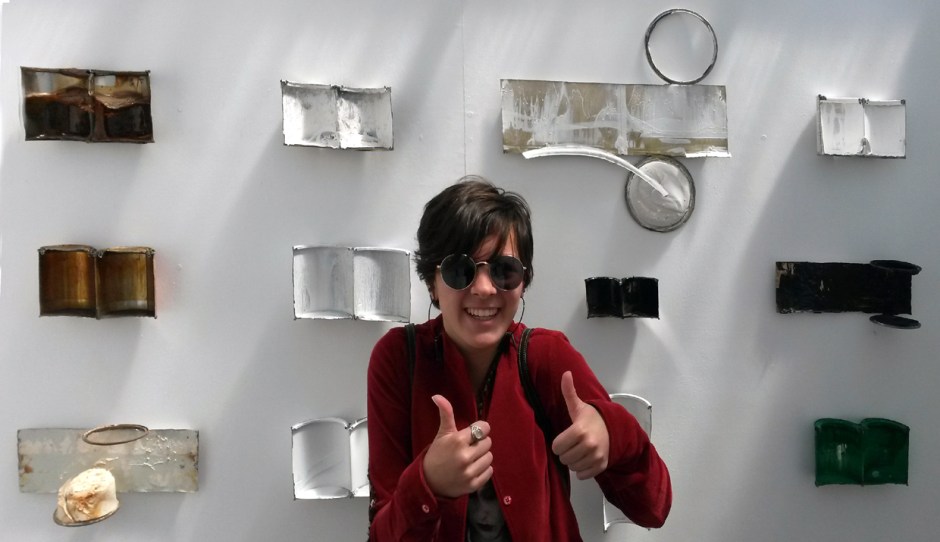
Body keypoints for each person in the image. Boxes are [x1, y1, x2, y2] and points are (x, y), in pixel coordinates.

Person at [367, 176, 671, 541]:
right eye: (460, 270)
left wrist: (612, 434)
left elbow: (654, 507)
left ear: (523, 281)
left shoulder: (547, 356)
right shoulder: (399, 359)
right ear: (432, 282)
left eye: (504, 270)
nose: (484, 288)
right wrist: (428, 484)